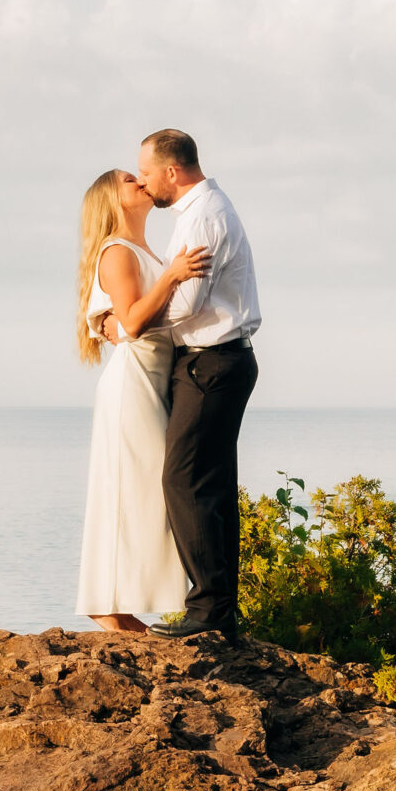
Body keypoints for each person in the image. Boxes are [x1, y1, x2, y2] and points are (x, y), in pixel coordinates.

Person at [119, 129, 261, 640]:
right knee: (213, 487)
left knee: (185, 481)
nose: (142, 180)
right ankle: (217, 609)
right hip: (218, 361)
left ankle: (208, 612)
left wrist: (131, 323)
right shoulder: (203, 211)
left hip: (211, 362)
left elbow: (187, 306)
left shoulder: (203, 216)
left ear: (172, 172)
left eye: (147, 171)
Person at [73, 167, 210, 632]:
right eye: (130, 180)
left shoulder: (147, 250)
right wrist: (172, 277)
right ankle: (106, 605)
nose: (142, 182)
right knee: (132, 492)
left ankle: (123, 614)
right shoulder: (117, 251)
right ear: (114, 200)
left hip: (155, 382)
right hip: (132, 386)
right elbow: (131, 323)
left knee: (148, 493)